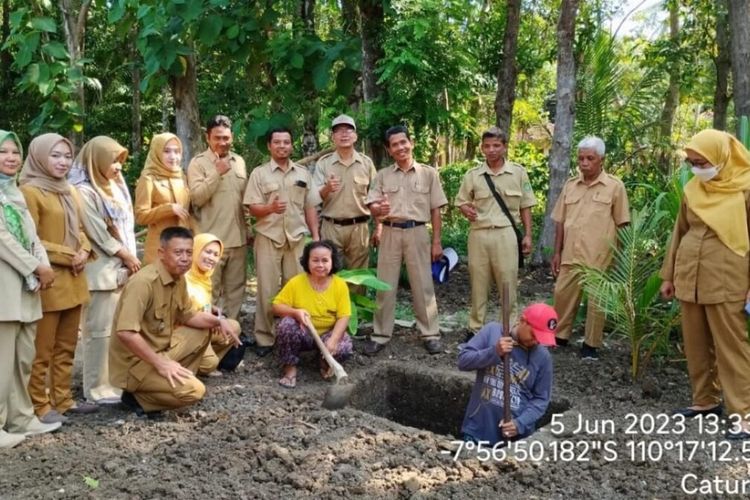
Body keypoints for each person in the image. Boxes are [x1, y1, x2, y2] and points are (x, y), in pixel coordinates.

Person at [660, 129, 750, 439]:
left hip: (728, 279)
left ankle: (744, 413)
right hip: (690, 276)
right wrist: (669, 275)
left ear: (720, 157)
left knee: (731, 346)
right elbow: (679, 232)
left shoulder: (745, 189)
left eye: (702, 162)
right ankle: (705, 400)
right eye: (693, 163)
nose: (697, 168)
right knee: (695, 343)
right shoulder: (693, 189)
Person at [109, 227, 240, 416]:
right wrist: (162, 364)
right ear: (161, 253)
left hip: (160, 351)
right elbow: (126, 333)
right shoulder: (143, 283)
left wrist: (218, 321)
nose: (185, 258)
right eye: (178, 252)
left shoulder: (178, 279)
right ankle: (136, 397)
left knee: (204, 329)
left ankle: (168, 381)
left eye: (189, 252)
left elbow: (189, 316)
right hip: (135, 364)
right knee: (195, 391)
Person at [19, 133, 97, 423]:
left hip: (74, 278)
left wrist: (85, 250)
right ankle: (39, 404)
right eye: (55, 155)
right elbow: (31, 239)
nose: (63, 162)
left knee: (66, 346)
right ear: (39, 156)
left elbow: (82, 232)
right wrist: (69, 255)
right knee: (42, 348)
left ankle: (63, 399)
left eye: (67, 156)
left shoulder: (69, 190)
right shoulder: (30, 191)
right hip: (49, 280)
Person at [0, 130, 62, 448]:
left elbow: (33, 236)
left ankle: (21, 417)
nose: (11, 157)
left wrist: (43, 264)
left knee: (23, 357)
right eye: (3, 152)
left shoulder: (16, 193)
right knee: (1, 359)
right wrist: (35, 266)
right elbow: (3, 240)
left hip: (27, 287)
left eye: (14, 152)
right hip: (4, 289)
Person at [364, 125, 448, 355]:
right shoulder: (382, 175)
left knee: (423, 284)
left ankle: (430, 333)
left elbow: (436, 210)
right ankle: (380, 334)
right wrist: (376, 209)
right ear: (388, 149)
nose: (400, 147)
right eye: (394, 145)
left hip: (417, 232)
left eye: (403, 142)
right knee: (384, 285)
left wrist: (437, 242)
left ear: (411, 143)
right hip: (390, 231)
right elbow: (372, 205)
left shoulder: (429, 173)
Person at [69, 136, 140, 404]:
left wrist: (128, 257)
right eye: (113, 160)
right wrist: (126, 255)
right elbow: (96, 231)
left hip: (122, 267)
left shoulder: (116, 186)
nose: (118, 166)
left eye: (121, 160)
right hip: (101, 270)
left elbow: (126, 226)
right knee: (98, 332)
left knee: (118, 329)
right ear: (96, 160)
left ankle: (115, 382)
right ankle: (96, 388)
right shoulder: (84, 190)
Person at [551, 136, 630, 360]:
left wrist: (620, 259)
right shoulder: (570, 186)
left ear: (601, 160)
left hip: (599, 256)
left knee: (597, 303)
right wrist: (557, 252)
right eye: (581, 158)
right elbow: (560, 222)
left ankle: (591, 345)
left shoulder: (615, 187)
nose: (584, 163)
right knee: (562, 294)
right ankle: (560, 336)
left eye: (590, 158)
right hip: (570, 254)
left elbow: (623, 223)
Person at [244, 127, 320, 357]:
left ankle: (294, 335)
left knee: (296, 289)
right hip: (269, 237)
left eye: (286, 142)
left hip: (297, 238)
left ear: (291, 145)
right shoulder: (259, 174)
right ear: (269, 146)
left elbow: (310, 206)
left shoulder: (303, 173)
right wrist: (270, 208)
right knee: (267, 288)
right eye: (277, 142)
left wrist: (315, 237)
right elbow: (252, 208)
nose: (282, 146)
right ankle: (264, 338)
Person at [456, 127, 537, 336]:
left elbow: (526, 206)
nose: (491, 150)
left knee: (507, 282)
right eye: (487, 146)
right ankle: (475, 329)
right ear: (482, 148)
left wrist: (528, 235)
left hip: (505, 233)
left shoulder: (518, 173)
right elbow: (461, 201)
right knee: (478, 283)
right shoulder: (473, 175)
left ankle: (509, 328)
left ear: (504, 147)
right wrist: (465, 209)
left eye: (496, 145)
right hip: (479, 234)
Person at [458, 303, 557, 445]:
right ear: (523, 321)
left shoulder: (543, 357)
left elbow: (541, 399)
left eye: (542, 339)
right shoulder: (492, 332)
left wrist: (520, 423)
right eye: (534, 335)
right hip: (478, 430)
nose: (536, 341)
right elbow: (463, 361)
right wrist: (494, 352)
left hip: (515, 441)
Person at [187, 116, 250, 322]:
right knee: (208, 290)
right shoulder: (198, 164)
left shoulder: (239, 162)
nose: (222, 142)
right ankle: (208, 333)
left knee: (236, 290)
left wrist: (248, 229)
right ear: (208, 138)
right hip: (210, 241)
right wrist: (217, 172)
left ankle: (231, 332)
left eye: (226, 137)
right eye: (217, 138)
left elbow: (244, 201)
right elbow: (196, 198)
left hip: (238, 239)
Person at [272, 240, 353, 388]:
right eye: (315, 260)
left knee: (345, 347)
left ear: (332, 261)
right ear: (307, 262)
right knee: (286, 325)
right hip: (304, 333)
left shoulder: (340, 285)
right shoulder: (296, 282)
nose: (320, 265)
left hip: (327, 334)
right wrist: (295, 312)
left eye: (325, 260)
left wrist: (334, 340)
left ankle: (323, 361)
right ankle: (290, 368)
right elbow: (276, 307)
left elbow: (344, 316)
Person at [313, 114, 377, 274]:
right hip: (331, 227)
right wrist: (327, 188)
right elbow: (313, 198)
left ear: (355, 136)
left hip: (359, 228)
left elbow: (376, 197)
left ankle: (354, 300)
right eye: (339, 131)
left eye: (348, 130)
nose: (344, 134)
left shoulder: (366, 163)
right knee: (330, 274)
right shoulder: (324, 163)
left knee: (359, 276)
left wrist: (379, 227)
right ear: (333, 137)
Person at [184, 233, 241, 376]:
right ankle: (193, 364)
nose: (211, 258)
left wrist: (213, 312)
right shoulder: (183, 277)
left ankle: (200, 358)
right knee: (210, 363)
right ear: (196, 250)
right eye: (207, 252)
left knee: (234, 327)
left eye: (216, 254)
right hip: (186, 331)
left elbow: (204, 303)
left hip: (203, 326)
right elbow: (187, 315)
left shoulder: (205, 277)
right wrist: (215, 320)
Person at [135, 133, 191, 265]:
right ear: (157, 152)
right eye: (166, 151)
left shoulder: (181, 176)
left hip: (182, 248)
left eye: (177, 151)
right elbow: (140, 216)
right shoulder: (148, 178)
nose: (173, 156)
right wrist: (168, 209)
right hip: (159, 249)